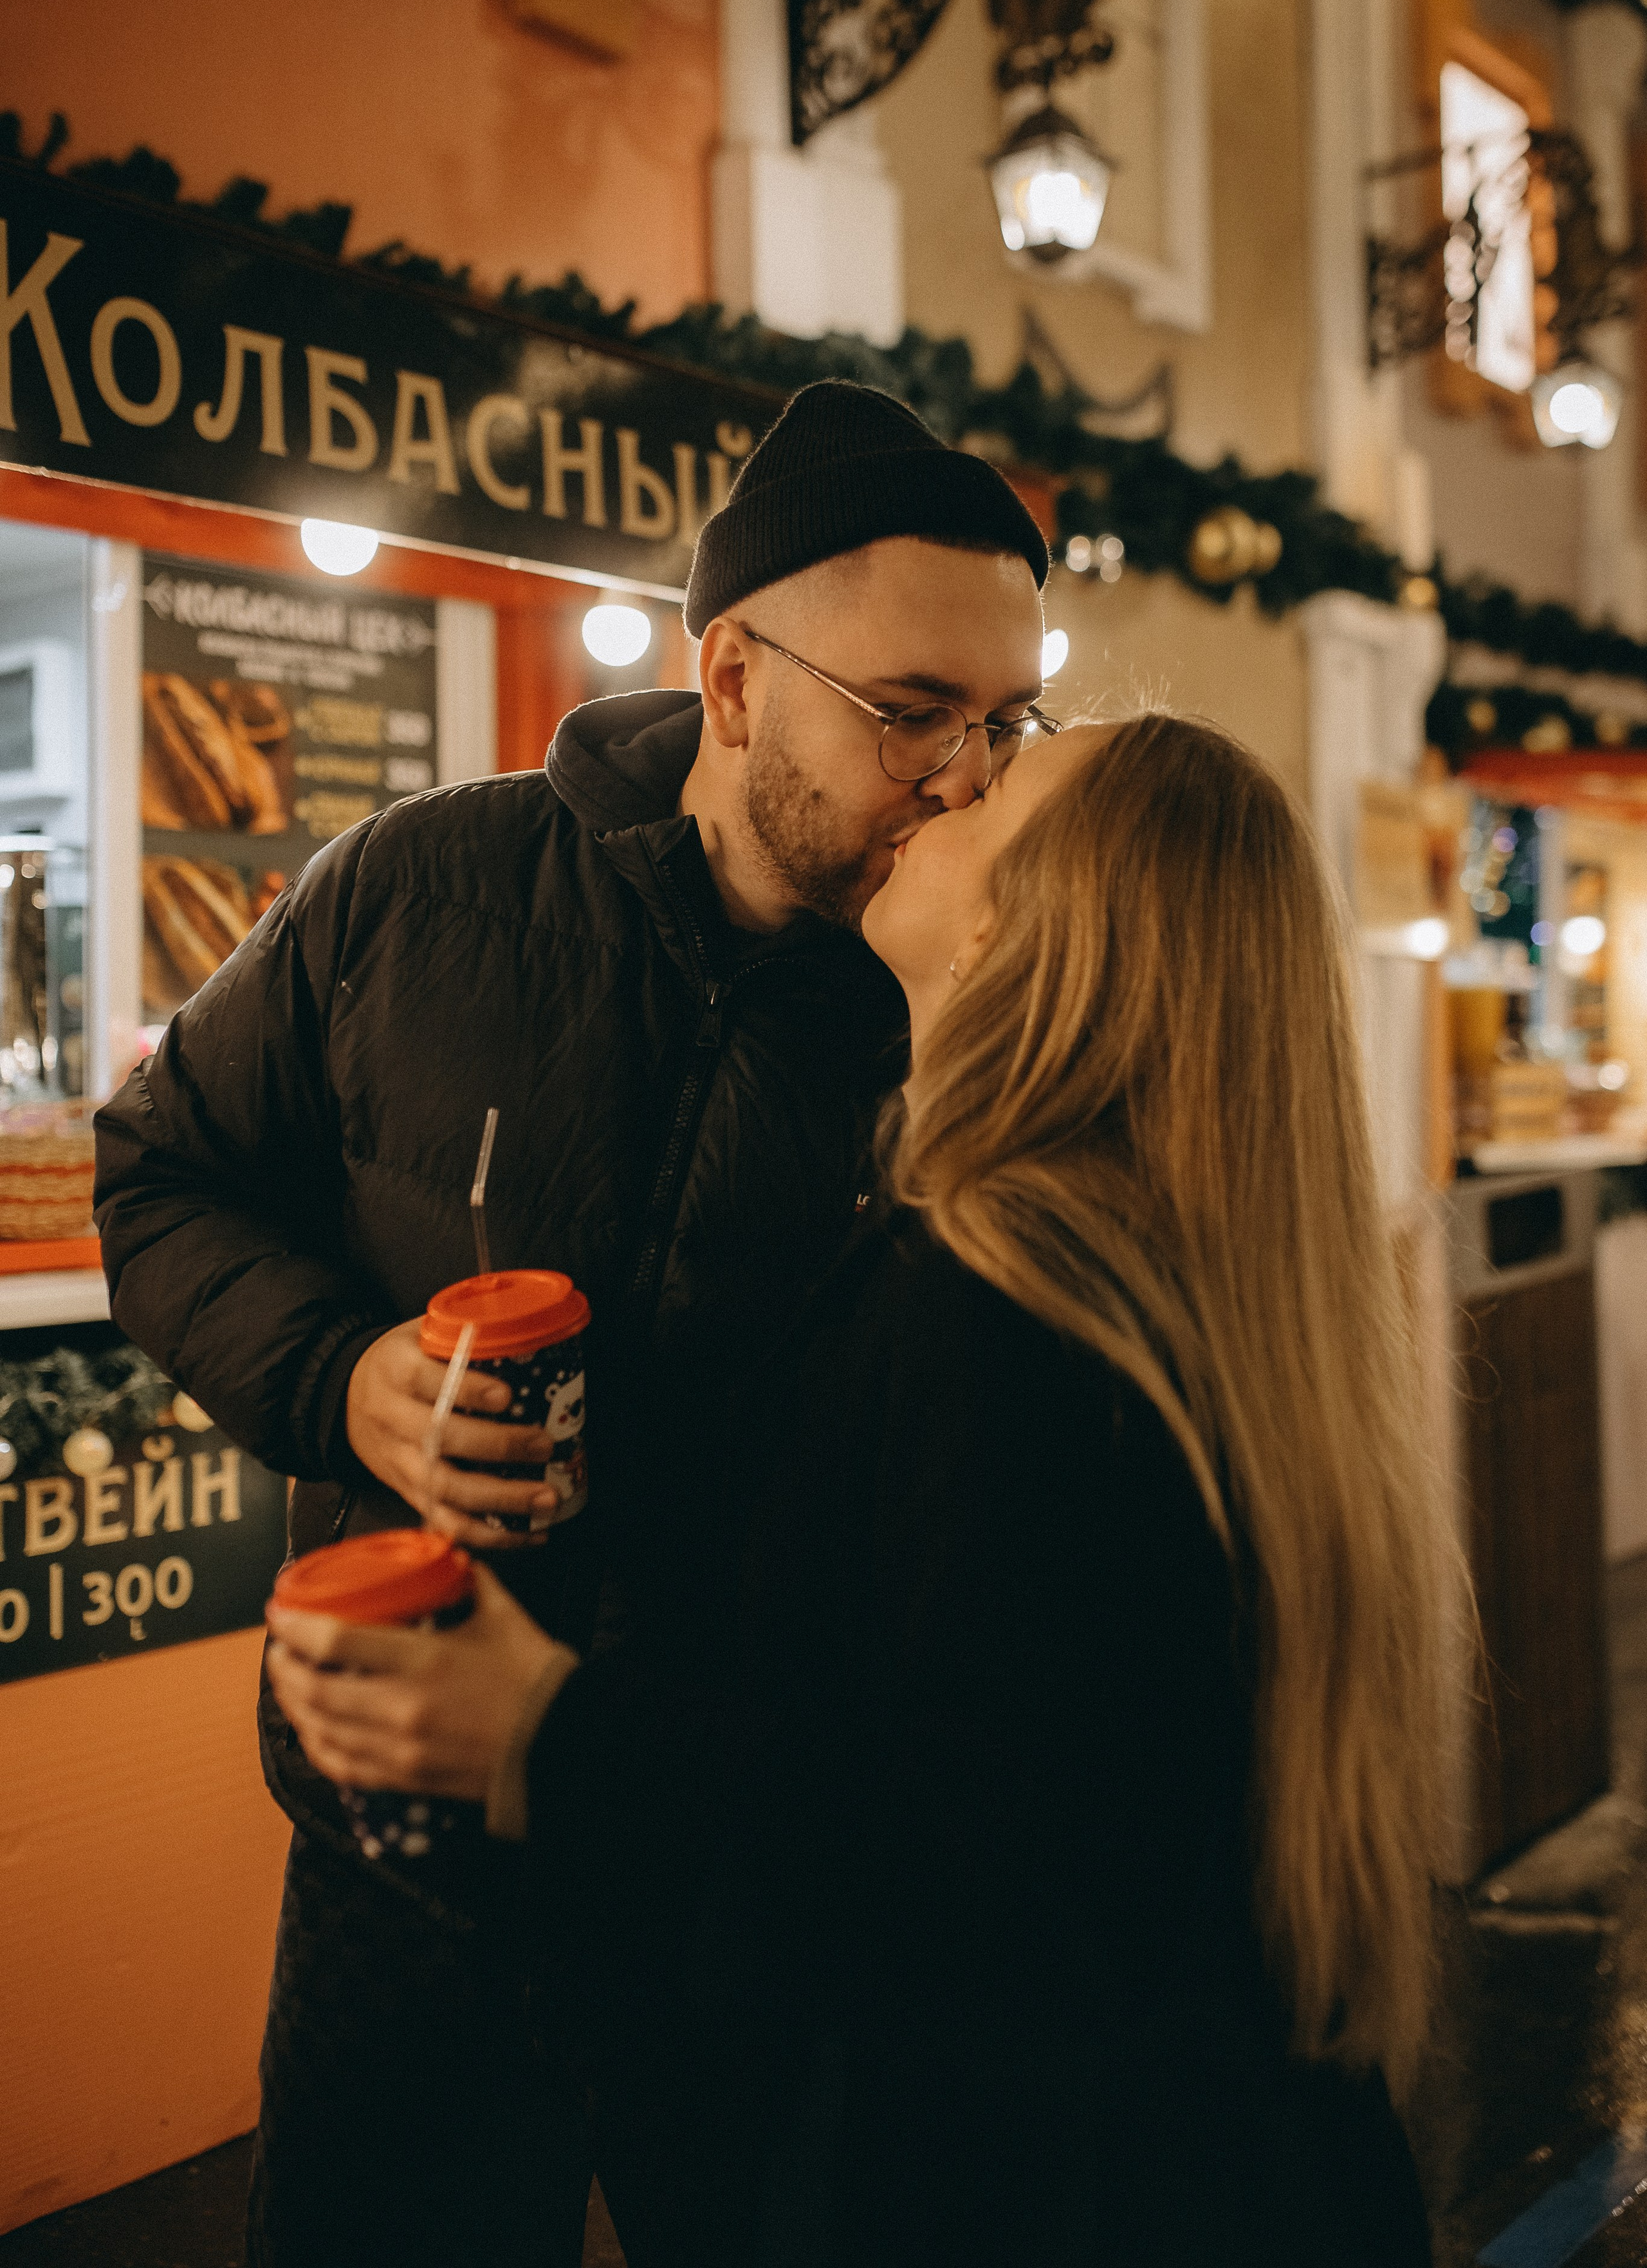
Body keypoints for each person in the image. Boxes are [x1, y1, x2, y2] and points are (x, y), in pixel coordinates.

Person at [268, 711, 1448, 2268]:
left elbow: (965, 1881)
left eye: (997, 786)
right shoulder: (1161, 1285)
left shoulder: (1001, 1308)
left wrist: (540, 1728)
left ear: (1025, 930)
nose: (947, 781)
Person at [91, 378, 1053, 2268]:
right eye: (913, 711)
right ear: (734, 679)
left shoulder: (965, 988)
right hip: (410, 1836)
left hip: (753, 1866)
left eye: (1006, 720)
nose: (966, 778)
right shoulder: (417, 887)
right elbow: (161, 1171)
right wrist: (342, 1378)